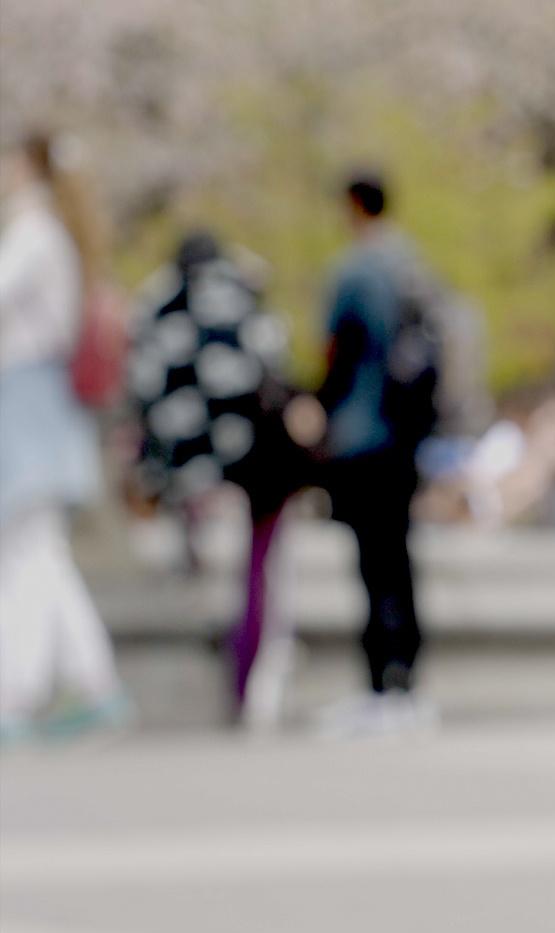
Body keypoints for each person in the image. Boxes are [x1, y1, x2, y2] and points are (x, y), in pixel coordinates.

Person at [127, 231, 305, 729]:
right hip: (254, 467)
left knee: (212, 574)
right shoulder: (244, 299)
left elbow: (142, 393)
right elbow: (276, 371)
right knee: (255, 579)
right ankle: (252, 685)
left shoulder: (155, 306)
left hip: (190, 478)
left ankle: (232, 679)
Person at [0, 131, 125, 741]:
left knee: (28, 550)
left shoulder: (36, 232)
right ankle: (92, 681)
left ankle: (19, 692)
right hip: (41, 402)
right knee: (39, 548)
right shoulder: (58, 233)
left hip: (28, 399)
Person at [310, 171, 438, 735]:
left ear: (353, 205)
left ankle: (379, 684)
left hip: (363, 436)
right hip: (408, 438)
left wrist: (319, 410)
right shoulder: (416, 266)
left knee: (372, 563)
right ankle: (407, 680)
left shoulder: (355, 269)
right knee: (401, 559)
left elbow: (336, 355)